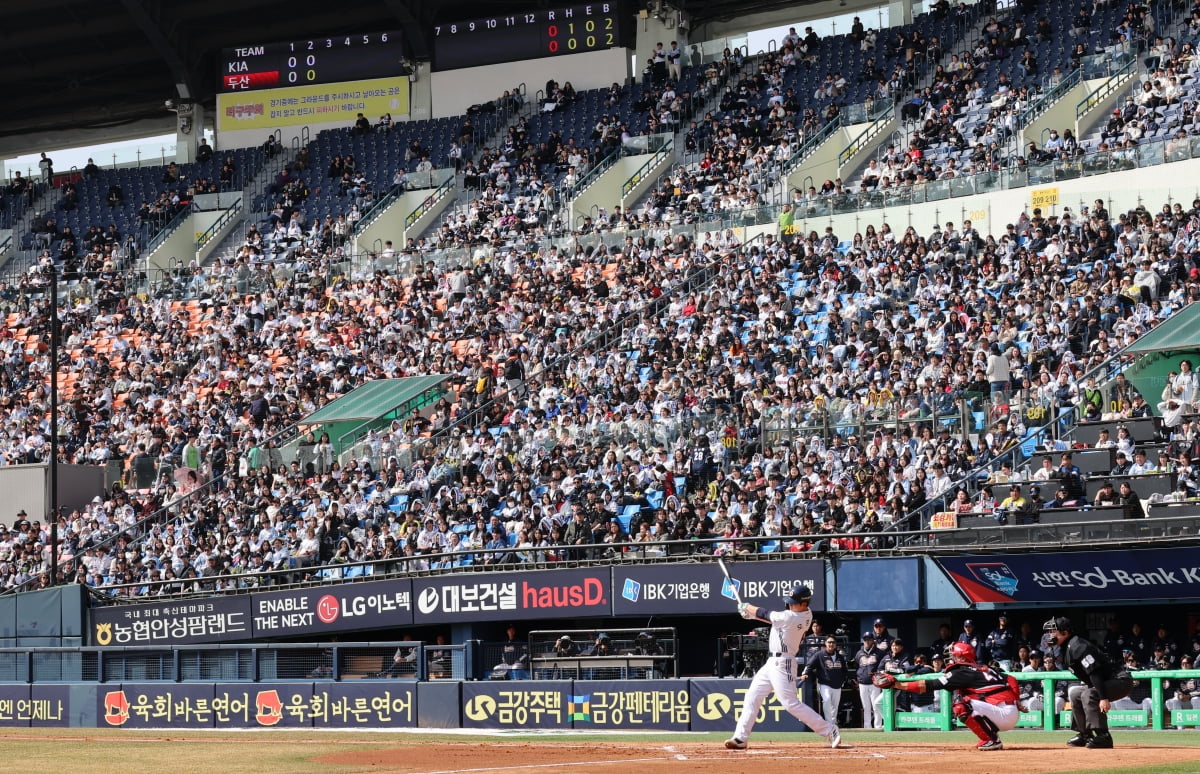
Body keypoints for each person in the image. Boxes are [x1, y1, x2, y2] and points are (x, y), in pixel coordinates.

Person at [725, 584, 844, 750]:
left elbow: (767, 614)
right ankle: (741, 737)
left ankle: (830, 730)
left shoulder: (792, 617)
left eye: (794, 602)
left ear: (804, 603)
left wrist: (747, 607)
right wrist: (750, 615)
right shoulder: (803, 614)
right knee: (752, 697)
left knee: (790, 703)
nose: (790, 604)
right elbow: (771, 619)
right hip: (771, 663)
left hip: (784, 662)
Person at [875, 642, 1018, 751]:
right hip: (1006, 711)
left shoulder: (962, 672)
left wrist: (897, 685)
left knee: (961, 706)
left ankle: (991, 739)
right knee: (966, 701)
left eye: (954, 655)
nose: (951, 658)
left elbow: (929, 685)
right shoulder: (983, 668)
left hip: (1001, 714)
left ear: (962, 656)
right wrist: (1016, 700)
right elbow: (1011, 678)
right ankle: (991, 737)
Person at [1043, 616, 1134, 748]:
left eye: (1053, 631)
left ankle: (1104, 736)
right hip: (1105, 681)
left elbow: (1094, 672)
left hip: (1120, 680)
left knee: (1089, 694)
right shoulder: (1067, 646)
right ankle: (1085, 734)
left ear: (1065, 633)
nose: (1050, 635)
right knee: (1075, 694)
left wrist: (1103, 698)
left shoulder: (1077, 645)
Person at [802, 634, 848, 725]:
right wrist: (805, 673)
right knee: (826, 700)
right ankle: (828, 723)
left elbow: (844, 671)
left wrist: (843, 680)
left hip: (837, 685)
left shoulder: (840, 657)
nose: (831, 644)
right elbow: (810, 665)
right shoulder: (819, 655)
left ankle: (833, 723)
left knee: (835, 706)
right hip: (824, 683)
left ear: (835, 644)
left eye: (833, 642)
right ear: (825, 643)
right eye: (829, 642)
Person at [854, 631, 884, 729]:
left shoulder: (879, 653)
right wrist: (857, 678)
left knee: (876, 705)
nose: (867, 641)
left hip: (874, 683)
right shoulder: (859, 653)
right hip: (862, 683)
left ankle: (878, 726)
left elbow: (882, 666)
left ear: (873, 640)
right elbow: (856, 666)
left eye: (869, 639)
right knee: (866, 707)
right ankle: (867, 726)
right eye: (865, 639)